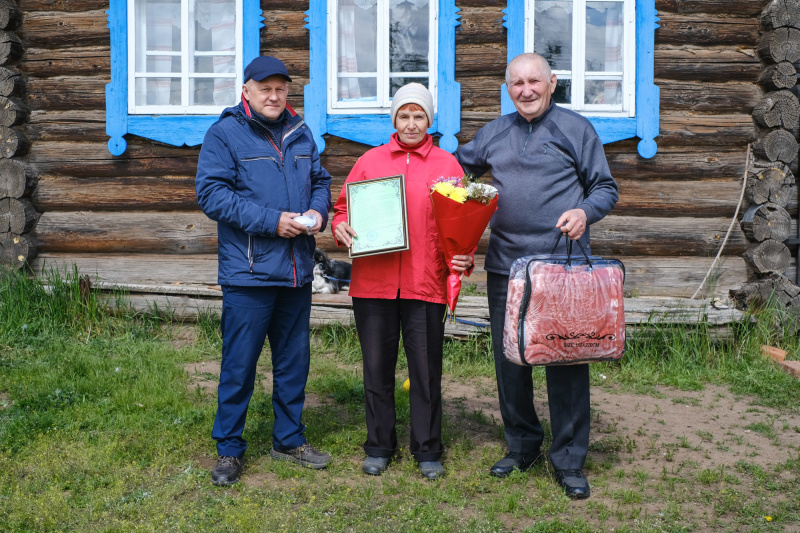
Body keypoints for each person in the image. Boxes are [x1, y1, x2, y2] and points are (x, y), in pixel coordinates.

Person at [455, 53, 619, 499]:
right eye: (516, 83)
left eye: (533, 81)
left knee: (565, 361)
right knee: (510, 360)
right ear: (508, 88)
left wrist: (584, 212)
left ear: (552, 84)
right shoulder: (493, 132)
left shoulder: (575, 129)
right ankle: (522, 445)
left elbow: (605, 187)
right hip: (506, 266)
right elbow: (456, 174)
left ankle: (568, 460)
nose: (525, 90)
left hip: (560, 267)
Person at [196, 56, 333, 486]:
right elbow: (212, 195)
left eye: (281, 88)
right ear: (247, 91)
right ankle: (229, 449)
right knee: (239, 365)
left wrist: (318, 211)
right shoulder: (225, 134)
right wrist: (272, 221)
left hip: (296, 271)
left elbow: (322, 181)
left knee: (294, 362)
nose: (274, 96)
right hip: (249, 273)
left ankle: (289, 438)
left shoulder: (301, 131)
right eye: (265, 89)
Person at [332, 83, 473, 480]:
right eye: (404, 115)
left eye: (419, 116)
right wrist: (341, 226)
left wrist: (464, 255)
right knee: (376, 367)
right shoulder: (370, 162)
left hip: (424, 281)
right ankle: (378, 445)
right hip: (374, 283)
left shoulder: (448, 165)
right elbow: (343, 209)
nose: (411, 124)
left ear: (430, 120)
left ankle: (427, 448)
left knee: (426, 370)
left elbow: (462, 227)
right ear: (393, 119)